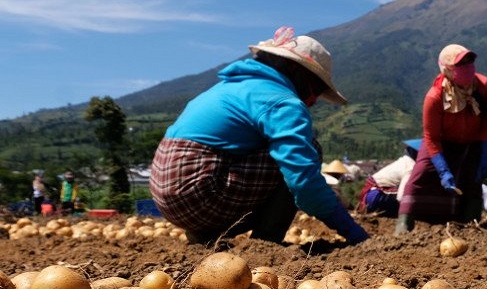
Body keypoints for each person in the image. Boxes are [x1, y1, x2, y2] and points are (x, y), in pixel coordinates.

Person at [149, 27, 369, 246]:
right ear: (301, 75)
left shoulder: (231, 87)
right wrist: (354, 233)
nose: (313, 101)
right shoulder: (282, 100)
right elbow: (304, 183)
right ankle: (265, 243)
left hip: (167, 196)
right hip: (200, 195)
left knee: (279, 150)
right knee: (306, 153)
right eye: (316, 92)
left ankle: (205, 236)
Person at [396, 44, 487, 234]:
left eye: (470, 62)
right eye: (460, 66)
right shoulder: (435, 97)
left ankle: (470, 225)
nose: (467, 68)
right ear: (446, 70)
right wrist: (442, 170)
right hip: (440, 141)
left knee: (473, 180)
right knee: (420, 176)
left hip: (473, 141)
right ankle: (403, 224)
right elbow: (431, 137)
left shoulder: (485, 88)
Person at [357, 139, 420, 217]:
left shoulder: (404, 161)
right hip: (376, 197)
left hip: (370, 195)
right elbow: (400, 197)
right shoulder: (411, 168)